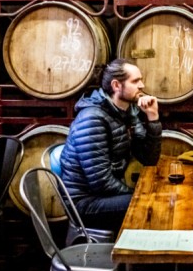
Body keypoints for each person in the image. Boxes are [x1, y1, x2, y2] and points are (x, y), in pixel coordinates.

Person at [60, 58, 162, 233]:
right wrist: (136, 193)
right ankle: (137, 257)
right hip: (85, 203)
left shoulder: (128, 112)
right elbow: (100, 181)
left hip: (102, 195)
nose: (142, 85)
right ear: (116, 85)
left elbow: (149, 159)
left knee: (154, 198)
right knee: (149, 204)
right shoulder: (92, 119)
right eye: (135, 81)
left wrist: (153, 118)